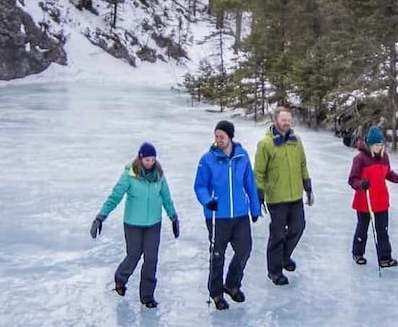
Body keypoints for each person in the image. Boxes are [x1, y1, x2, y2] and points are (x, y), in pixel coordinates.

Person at [89, 142, 179, 308]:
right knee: (134, 255)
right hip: (133, 224)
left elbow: (166, 197)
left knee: (151, 259)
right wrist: (100, 217)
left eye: (153, 159)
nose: (150, 162)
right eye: (147, 159)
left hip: (154, 224)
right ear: (140, 158)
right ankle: (120, 279)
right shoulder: (129, 175)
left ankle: (147, 296)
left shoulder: (159, 175)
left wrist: (173, 217)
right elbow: (114, 197)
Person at [194, 120, 261, 310]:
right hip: (217, 215)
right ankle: (216, 292)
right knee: (217, 255)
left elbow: (250, 183)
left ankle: (232, 284)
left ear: (230, 137)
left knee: (244, 250)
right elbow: (200, 186)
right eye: (216, 136)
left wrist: (255, 209)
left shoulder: (242, 156)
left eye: (221, 136)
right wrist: (208, 201)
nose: (218, 140)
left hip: (240, 214)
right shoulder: (207, 159)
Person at [254, 106, 314, 286]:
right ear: (275, 120)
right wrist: (259, 193)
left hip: (295, 194)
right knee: (277, 234)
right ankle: (274, 271)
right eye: (283, 120)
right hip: (277, 198)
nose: (286, 123)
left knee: (298, 227)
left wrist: (308, 187)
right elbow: (259, 172)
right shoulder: (265, 143)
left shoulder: (296, 140)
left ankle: (284, 257)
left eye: (288, 120)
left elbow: (303, 164)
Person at [347, 127, 398, 267]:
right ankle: (357, 253)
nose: (379, 147)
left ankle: (385, 258)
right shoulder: (360, 159)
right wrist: (361, 184)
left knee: (383, 230)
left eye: (381, 144)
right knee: (362, 229)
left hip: (381, 200)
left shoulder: (384, 157)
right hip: (365, 200)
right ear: (370, 145)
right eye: (376, 144)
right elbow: (352, 180)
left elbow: (388, 174)